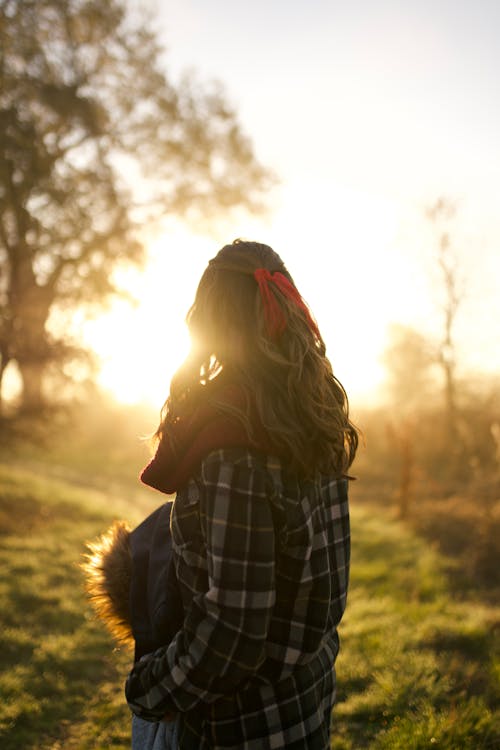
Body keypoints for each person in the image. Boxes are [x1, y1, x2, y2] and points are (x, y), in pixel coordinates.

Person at [125, 239, 358, 749]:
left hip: (236, 729)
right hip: (304, 705)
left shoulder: (237, 448)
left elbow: (233, 633)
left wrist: (149, 687)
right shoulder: (313, 418)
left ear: (209, 320)